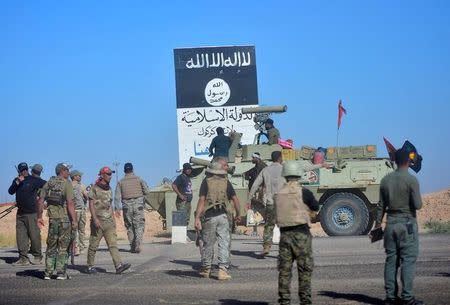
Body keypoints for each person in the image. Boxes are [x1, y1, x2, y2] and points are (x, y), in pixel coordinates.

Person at [373, 148, 424, 305]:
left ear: (395, 161)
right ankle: (407, 298)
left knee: (391, 261)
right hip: (407, 225)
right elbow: (418, 205)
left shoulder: (386, 180)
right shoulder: (411, 180)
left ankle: (390, 298)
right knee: (408, 261)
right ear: (408, 161)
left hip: (390, 225)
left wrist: (377, 227)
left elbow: (380, 206)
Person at [275, 160, 320, 305]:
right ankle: (305, 301)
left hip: (285, 236)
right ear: (299, 174)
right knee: (305, 270)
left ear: (285, 175)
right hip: (302, 235)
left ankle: (284, 301)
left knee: (284, 271)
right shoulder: (304, 192)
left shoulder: (279, 194)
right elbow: (315, 206)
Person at [194, 161, 240, 280]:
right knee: (224, 242)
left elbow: (201, 200)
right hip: (223, 216)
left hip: (209, 216)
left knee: (208, 243)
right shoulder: (226, 182)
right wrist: (238, 214)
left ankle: (206, 269)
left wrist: (197, 217)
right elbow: (235, 199)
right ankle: (222, 270)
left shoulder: (206, 182)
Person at [87, 166, 131, 275]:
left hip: (108, 222)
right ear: (102, 175)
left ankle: (118, 266)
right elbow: (91, 204)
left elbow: (109, 205)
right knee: (93, 245)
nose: (110, 176)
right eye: (108, 174)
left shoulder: (109, 188)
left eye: (111, 174)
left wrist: (113, 219)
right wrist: (95, 219)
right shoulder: (95, 188)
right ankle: (90, 266)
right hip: (98, 221)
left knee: (113, 244)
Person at [37, 163, 77, 280]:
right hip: (65, 219)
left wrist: (39, 217)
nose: (69, 172)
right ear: (61, 171)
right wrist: (74, 220)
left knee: (51, 245)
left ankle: (48, 273)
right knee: (63, 246)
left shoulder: (48, 183)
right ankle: (60, 273)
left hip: (53, 219)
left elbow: (40, 201)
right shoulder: (67, 184)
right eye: (67, 170)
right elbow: (70, 203)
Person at [8, 162, 46, 266]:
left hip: (32, 214)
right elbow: (10, 191)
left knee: (34, 236)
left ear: (28, 170)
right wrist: (17, 182)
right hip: (20, 214)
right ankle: (23, 258)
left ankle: (38, 256)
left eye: (25, 169)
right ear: (19, 171)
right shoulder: (16, 181)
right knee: (21, 237)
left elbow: (46, 185)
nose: (24, 171)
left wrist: (43, 198)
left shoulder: (33, 180)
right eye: (22, 170)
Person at [248, 151, 284, 256]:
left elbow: (255, 185)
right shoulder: (284, 169)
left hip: (270, 202)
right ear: (280, 158)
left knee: (269, 225)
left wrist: (249, 199)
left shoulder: (265, 170)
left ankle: (266, 247)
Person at [114, 162, 149, 253]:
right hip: (138, 205)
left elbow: (117, 196)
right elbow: (147, 191)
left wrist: (117, 208)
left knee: (129, 226)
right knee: (139, 225)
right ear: (132, 170)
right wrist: (142, 200)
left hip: (126, 206)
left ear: (124, 171)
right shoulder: (139, 179)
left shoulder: (120, 182)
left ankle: (133, 246)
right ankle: (138, 242)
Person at [70, 170, 88, 255]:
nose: (80, 177)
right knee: (81, 230)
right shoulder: (81, 186)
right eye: (79, 176)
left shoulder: (68, 185)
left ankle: (75, 249)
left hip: (73, 211)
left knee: (74, 230)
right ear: (74, 177)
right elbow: (86, 196)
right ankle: (82, 248)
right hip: (81, 210)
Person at [172, 163, 193, 227]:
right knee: (181, 218)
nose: (189, 170)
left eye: (190, 169)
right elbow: (174, 185)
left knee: (186, 219)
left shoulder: (188, 178)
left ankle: (184, 234)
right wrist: (180, 195)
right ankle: (180, 235)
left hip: (188, 202)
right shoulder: (181, 177)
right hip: (182, 202)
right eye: (187, 169)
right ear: (184, 170)